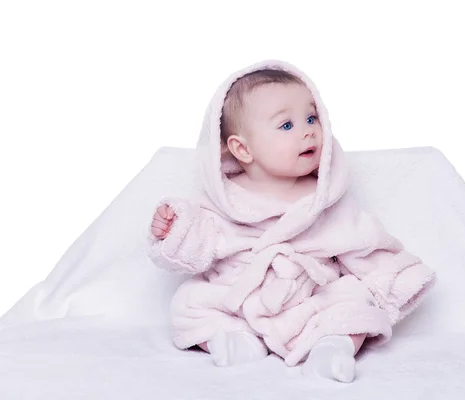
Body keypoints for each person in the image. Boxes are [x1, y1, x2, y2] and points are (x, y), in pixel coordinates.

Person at [147, 60, 436, 383]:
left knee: (352, 302)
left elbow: (365, 244)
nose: (309, 130)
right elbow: (197, 247)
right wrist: (174, 230)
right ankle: (234, 342)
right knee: (190, 303)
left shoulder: (324, 199)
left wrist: (396, 279)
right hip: (239, 299)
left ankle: (332, 347)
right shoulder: (224, 199)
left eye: (312, 118)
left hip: (309, 299)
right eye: (287, 125)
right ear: (242, 149)